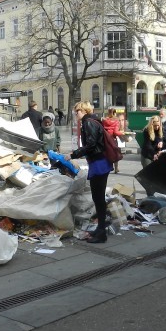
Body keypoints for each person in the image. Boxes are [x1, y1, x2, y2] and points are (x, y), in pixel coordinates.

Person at [66, 101, 112, 244]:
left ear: (84, 111)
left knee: (98, 198)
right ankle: (100, 228)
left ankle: (102, 233)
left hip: (98, 163)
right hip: (100, 162)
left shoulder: (88, 123)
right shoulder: (93, 121)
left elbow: (91, 145)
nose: (76, 114)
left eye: (77, 111)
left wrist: (73, 155)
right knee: (98, 198)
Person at [102, 107, 125, 173]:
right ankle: (116, 168)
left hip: (105, 139)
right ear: (114, 113)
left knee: (107, 153)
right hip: (113, 139)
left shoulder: (105, 120)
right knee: (115, 153)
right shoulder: (116, 121)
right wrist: (122, 133)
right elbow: (115, 132)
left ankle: (107, 167)